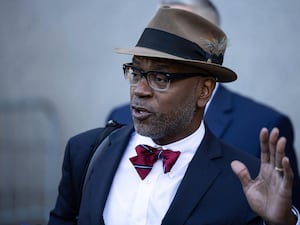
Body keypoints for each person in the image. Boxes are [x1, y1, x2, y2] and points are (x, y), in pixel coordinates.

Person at [48, 6, 299, 225]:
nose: (139, 90)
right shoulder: (84, 152)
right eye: (135, 72)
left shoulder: (247, 181)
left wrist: (282, 223)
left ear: (204, 91)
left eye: (160, 78)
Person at [106, 0, 300, 208]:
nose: (165, 38)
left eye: (161, 77)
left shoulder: (263, 125)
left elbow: (284, 208)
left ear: (212, 40)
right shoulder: (118, 120)